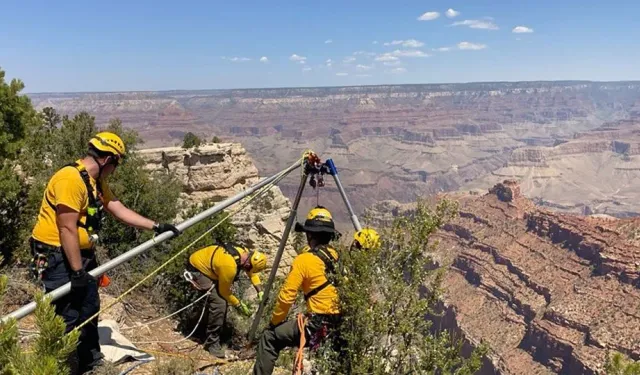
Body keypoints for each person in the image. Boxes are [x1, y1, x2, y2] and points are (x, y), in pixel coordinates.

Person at [29, 132, 181, 375]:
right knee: (66, 314)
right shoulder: (70, 179)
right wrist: (77, 271)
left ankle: (90, 363)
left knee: (89, 306)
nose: (115, 170)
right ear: (108, 159)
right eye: (116, 164)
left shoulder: (94, 180)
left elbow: (116, 207)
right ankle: (59, 367)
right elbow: (66, 227)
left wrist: (155, 226)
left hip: (80, 254)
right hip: (57, 255)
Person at [253, 206, 341, 375]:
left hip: (317, 325)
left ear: (309, 235)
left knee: (269, 338)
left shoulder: (304, 260)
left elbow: (286, 297)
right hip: (339, 322)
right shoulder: (337, 256)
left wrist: (274, 323)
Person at [187, 242, 268, 358]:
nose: (249, 271)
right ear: (248, 262)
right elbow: (224, 292)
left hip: (209, 266)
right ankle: (211, 343)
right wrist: (239, 305)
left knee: (219, 300)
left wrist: (259, 290)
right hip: (198, 269)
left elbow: (252, 273)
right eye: (249, 268)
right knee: (219, 303)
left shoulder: (244, 253)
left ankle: (206, 328)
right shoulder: (229, 266)